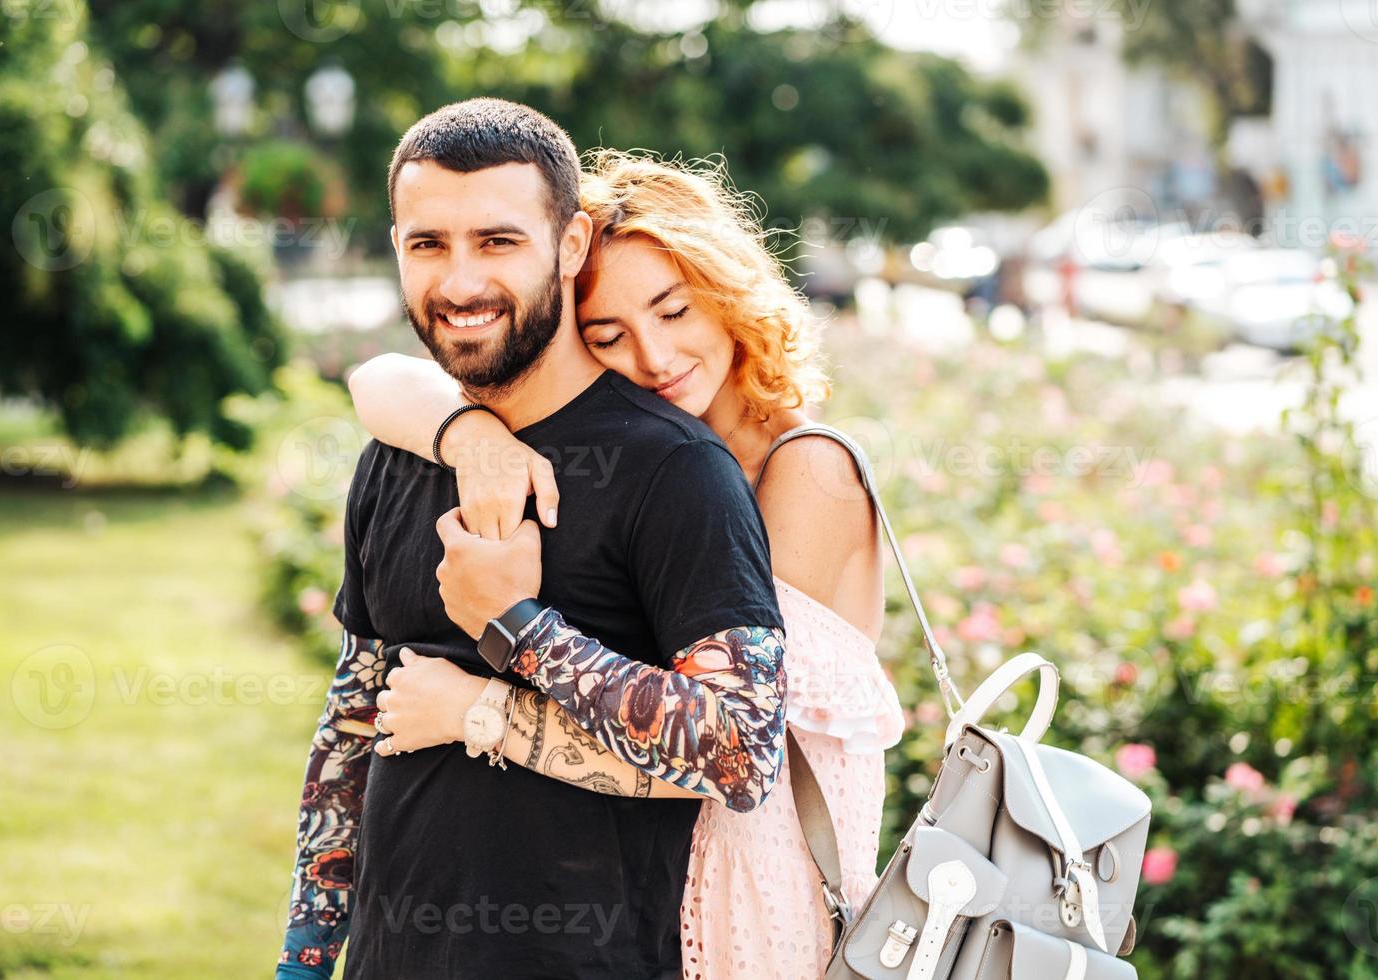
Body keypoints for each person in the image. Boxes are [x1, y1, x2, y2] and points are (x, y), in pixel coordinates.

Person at [351, 148, 905, 978]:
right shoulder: (658, 463)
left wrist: (482, 699)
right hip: (658, 876)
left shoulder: (804, 470)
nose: (653, 357)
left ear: (728, 294)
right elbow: (380, 378)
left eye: (675, 311)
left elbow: (730, 745)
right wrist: (471, 434)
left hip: (763, 895)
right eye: (607, 335)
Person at [275, 99, 789, 979]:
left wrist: (514, 626)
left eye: (498, 242)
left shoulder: (674, 470)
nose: (460, 283)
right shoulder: (400, 454)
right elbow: (354, 718)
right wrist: (306, 953)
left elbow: (741, 749)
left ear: (572, 246)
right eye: (427, 244)